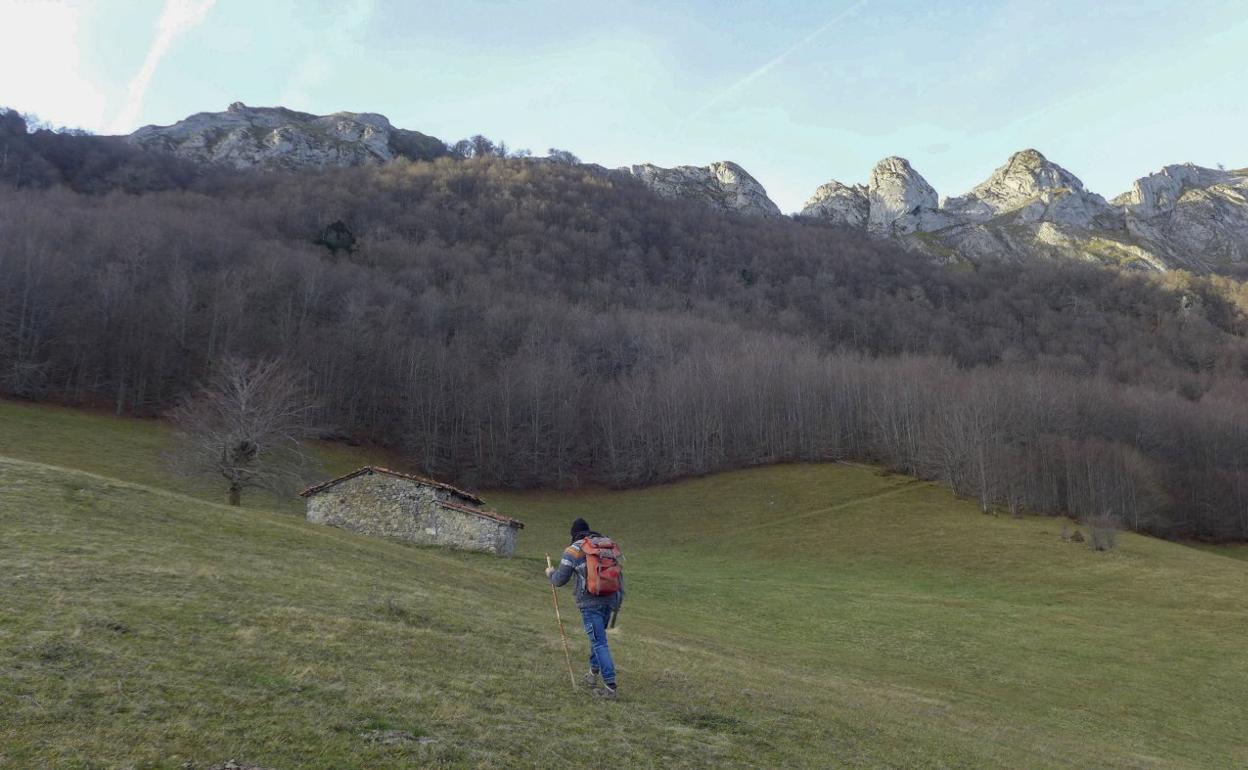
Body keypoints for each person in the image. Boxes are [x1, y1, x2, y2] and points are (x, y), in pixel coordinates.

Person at [545, 517, 623, 698]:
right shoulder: (605, 546)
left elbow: (559, 580)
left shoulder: (573, 550)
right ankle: (592, 675)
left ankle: (610, 687)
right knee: (598, 638)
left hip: (590, 604)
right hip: (610, 599)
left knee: (599, 642)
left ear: (573, 534)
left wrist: (550, 573)